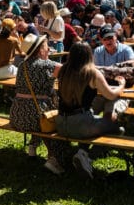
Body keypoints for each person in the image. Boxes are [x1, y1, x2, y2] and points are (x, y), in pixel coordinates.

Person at [54, 43, 125, 179]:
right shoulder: (92, 73)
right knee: (118, 129)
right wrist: (122, 85)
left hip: (61, 124)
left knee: (94, 123)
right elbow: (110, 95)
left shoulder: (63, 70)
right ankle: (88, 156)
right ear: (89, 55)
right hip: (82, 124)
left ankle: (82, 153)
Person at [10, 34, 72, 174]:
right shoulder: (48, 65)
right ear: (40, 49)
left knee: (40, 115)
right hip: (36, 116)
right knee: (58, 124)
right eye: (46, 46)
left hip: (17, 116)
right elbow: (70, 73)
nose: (49, 48)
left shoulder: (22, 65)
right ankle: (55, 159)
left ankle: (33, 146)